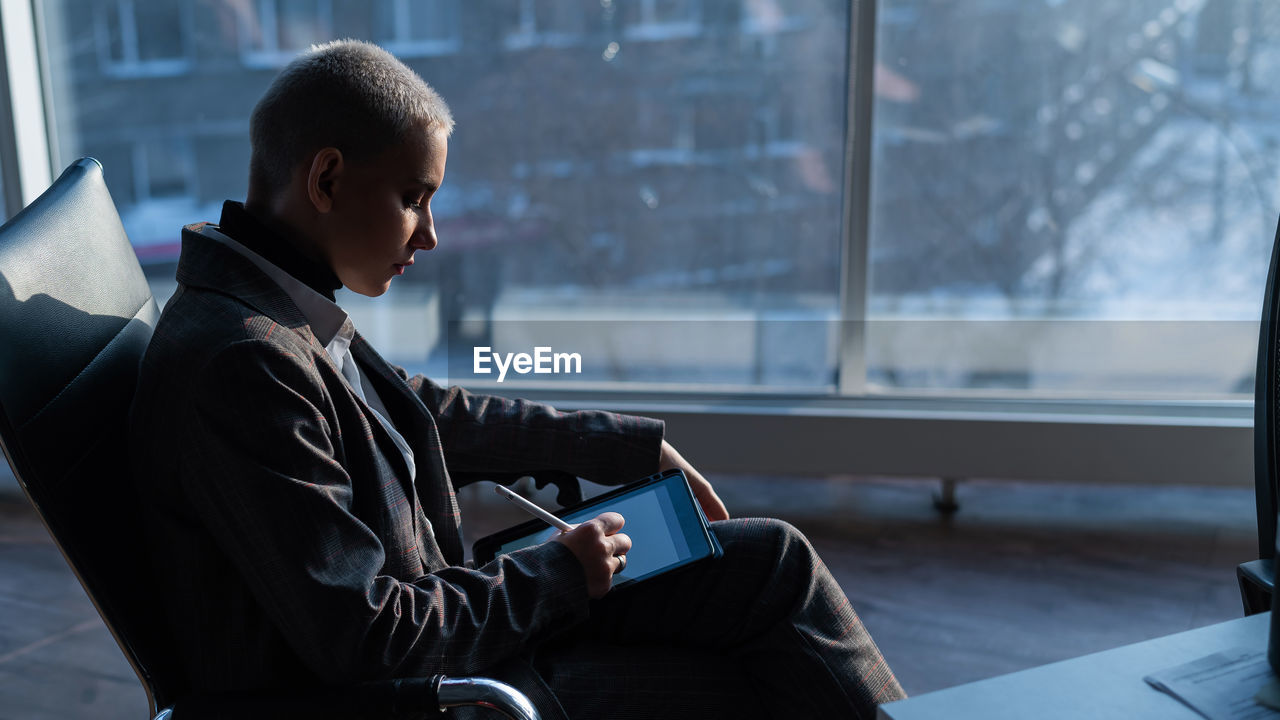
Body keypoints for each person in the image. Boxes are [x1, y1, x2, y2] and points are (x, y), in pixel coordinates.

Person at [128, 39, 904, 719]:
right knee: (760, 683)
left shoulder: (276, 304)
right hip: (431, 692)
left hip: (465, 623)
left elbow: (423, 412)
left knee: (773, 560)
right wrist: (556, 575)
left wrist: (619, 449)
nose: (430, 234)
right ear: (326, 180)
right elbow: (366, 638)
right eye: (413, 199)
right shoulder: (244, 364)